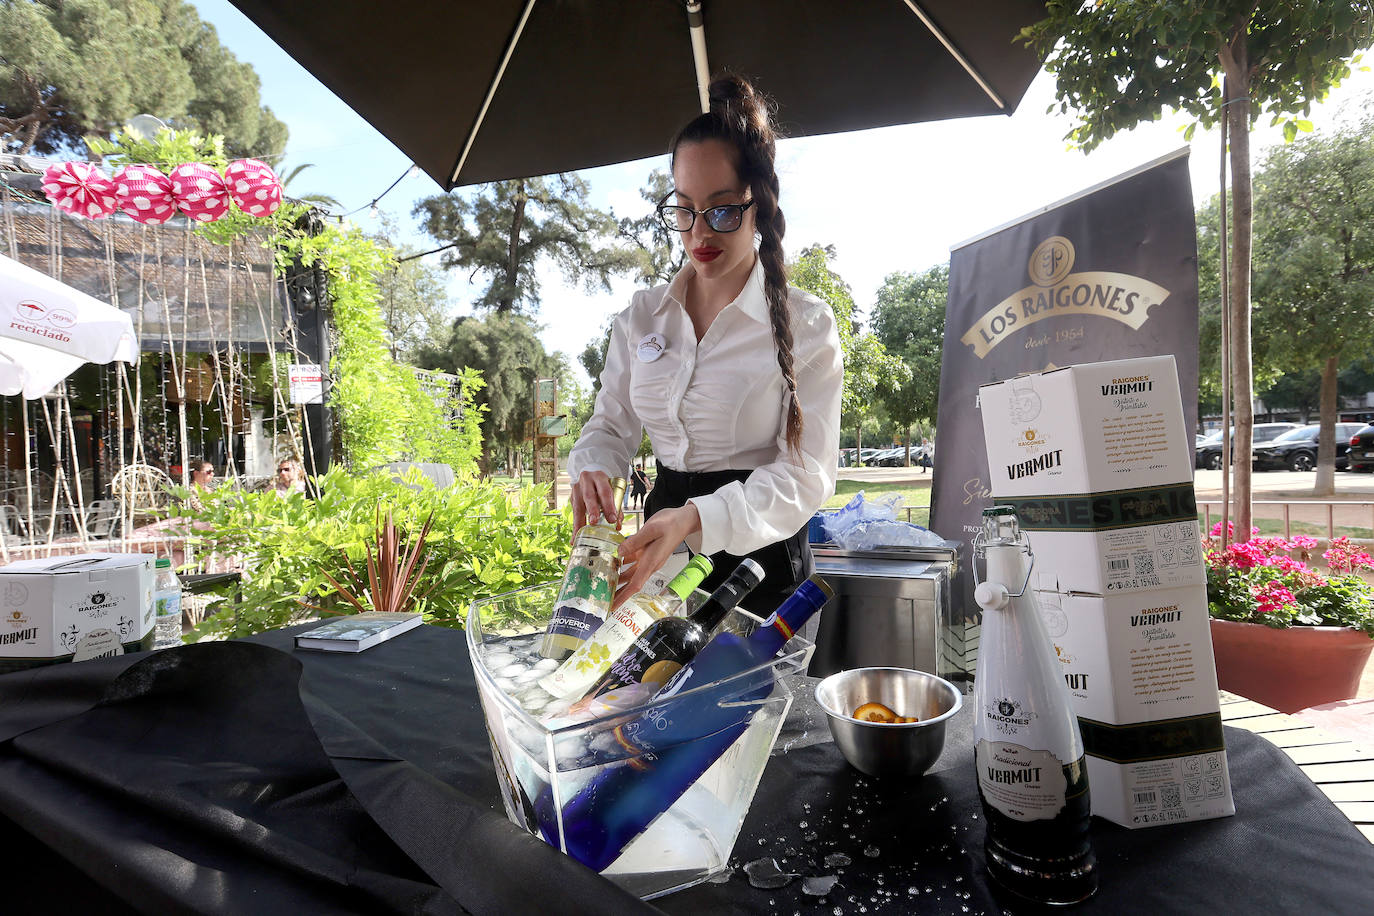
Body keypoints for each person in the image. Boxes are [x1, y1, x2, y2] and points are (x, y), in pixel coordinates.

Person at [567, 74, 843, 614]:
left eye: (722, 210)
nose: (700, 234)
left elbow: (807, 475)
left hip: (759, 562)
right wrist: (594, 466)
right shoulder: (642, 317)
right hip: (657, 551)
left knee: (747, 699)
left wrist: (697, 518)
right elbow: (610, 423)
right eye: (684, 209)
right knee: (646, 691)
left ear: (757, 205)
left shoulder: (805, 322)